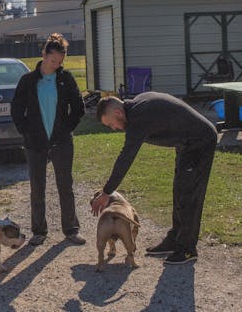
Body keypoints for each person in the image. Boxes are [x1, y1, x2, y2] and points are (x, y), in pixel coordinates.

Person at [90, 93, 217, 265]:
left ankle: (187, 249)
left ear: (118, 113)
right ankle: (175, 240)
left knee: (189, 196)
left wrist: (107, 191)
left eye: (112, 123)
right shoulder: (137, 107)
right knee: (180, 191)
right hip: (186, 144)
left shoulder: (138, 117)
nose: (114, 128)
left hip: (200, 141)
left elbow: (126, 157)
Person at [11, 33, 86, 246]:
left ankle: (71, 230)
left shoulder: (66, 79)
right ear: (44, 54)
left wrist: (66, 129)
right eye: (53, 60)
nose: (56, 65)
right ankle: (39, 231)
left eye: (60, 62)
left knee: (65, 186)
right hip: (35, 143)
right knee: (37, 187)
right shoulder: (28, 81)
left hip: (61, 141)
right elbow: (16, 110)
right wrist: (26, 132)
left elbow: (79, 108)